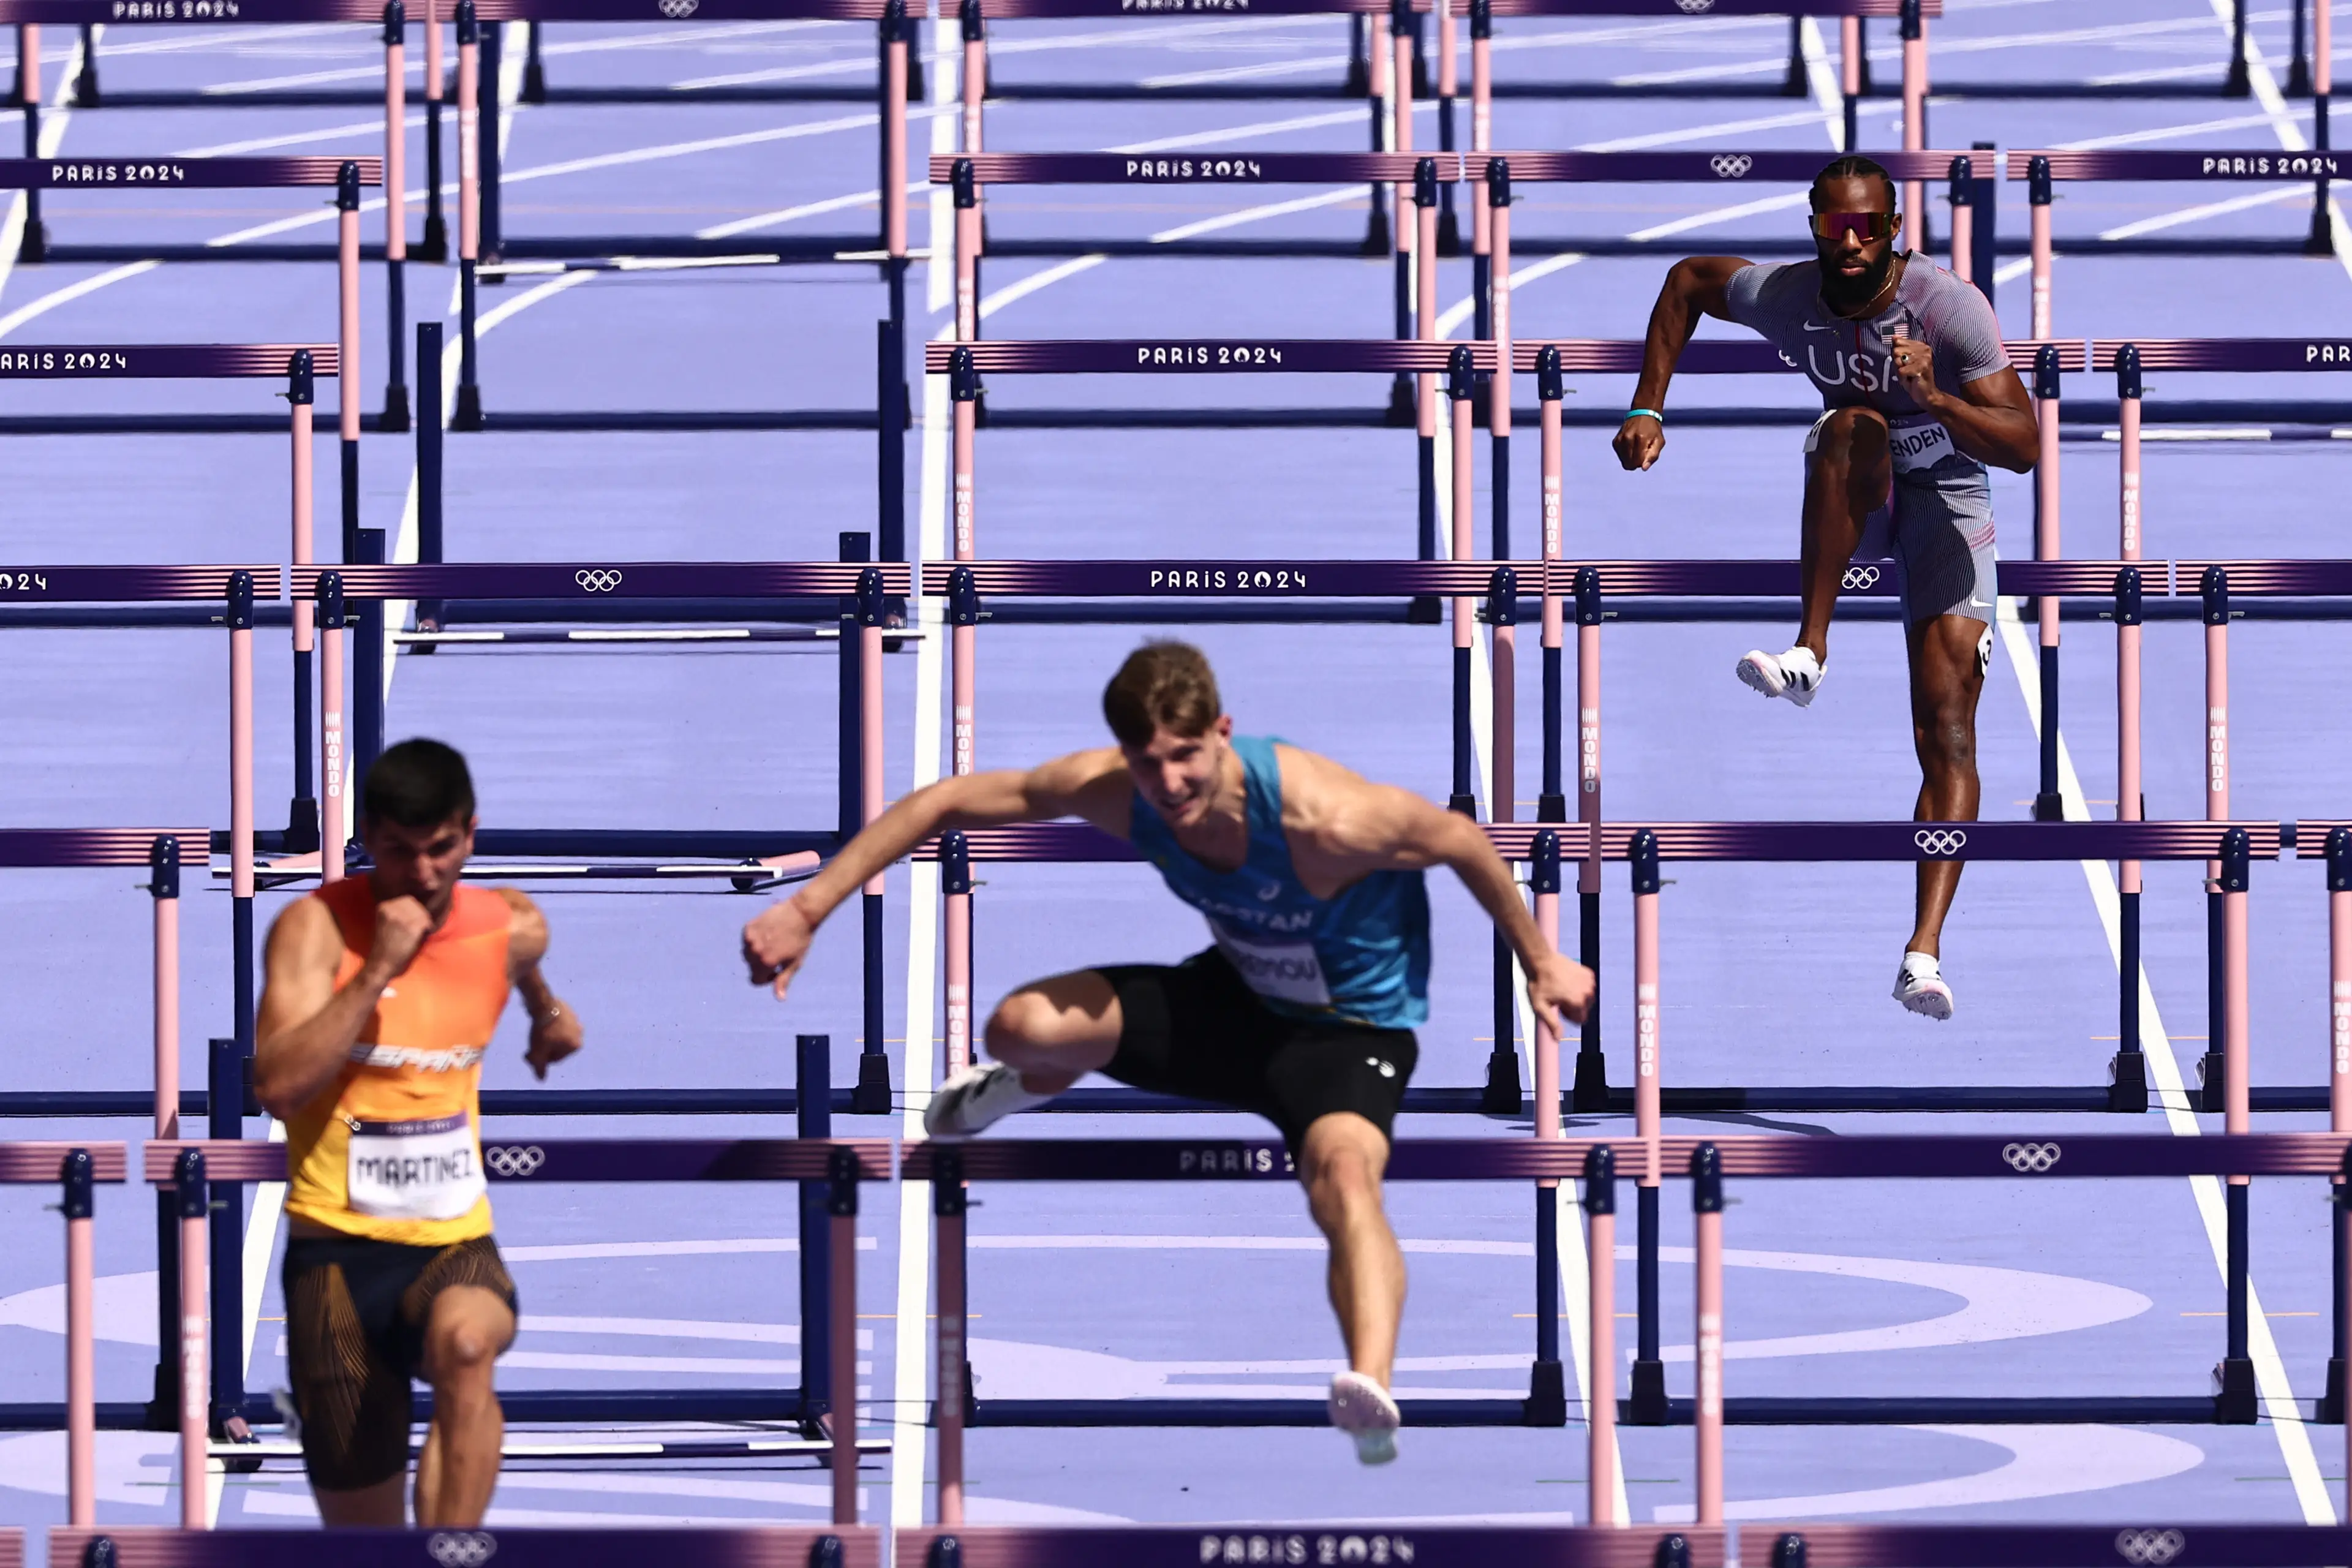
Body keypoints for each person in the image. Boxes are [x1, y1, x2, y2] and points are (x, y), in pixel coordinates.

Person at [742, 641, 1594, 1465]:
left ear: (1223, 732)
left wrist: (1540, 958)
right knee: (1019, 1026)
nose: (1171, 783)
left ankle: (1369, 1383)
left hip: (1348, 1036)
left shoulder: (1325, 818)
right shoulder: (1119, 793)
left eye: (1187, 757)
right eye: (1150, 764)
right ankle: (1028, 1083)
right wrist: (809, 909)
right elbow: (942, 802)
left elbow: (1458, 840)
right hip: (1232, 1001)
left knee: (1342, 1177)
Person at [1611, 153, 2040, 1021]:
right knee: (1852, 424)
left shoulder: (1947, 306)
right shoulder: (1788, 294)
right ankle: (1811, 651)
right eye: (1835, 226)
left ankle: (1922, 953)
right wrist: (1648, 405)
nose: (1851, 243)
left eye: (1868, 227)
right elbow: (1688, 280)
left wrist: (1941, 399)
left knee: (1949, 727)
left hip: (1950, 497)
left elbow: (2025, 444)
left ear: (1892, 230)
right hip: (1859, 485)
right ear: (1815, 227)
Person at [254, 738, 584, 1526]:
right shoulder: (315, 930)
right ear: (368, 836)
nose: (426, 873)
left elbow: (524, 969)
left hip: (452, 1240)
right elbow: (275, 1085)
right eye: (400, 852)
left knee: (469, 1349)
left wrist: (547, 1018)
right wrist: (377, 971)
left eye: (443, 850)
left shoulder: (512, 923)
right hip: (335, 1249)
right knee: (363, 1538)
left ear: (471, 834)